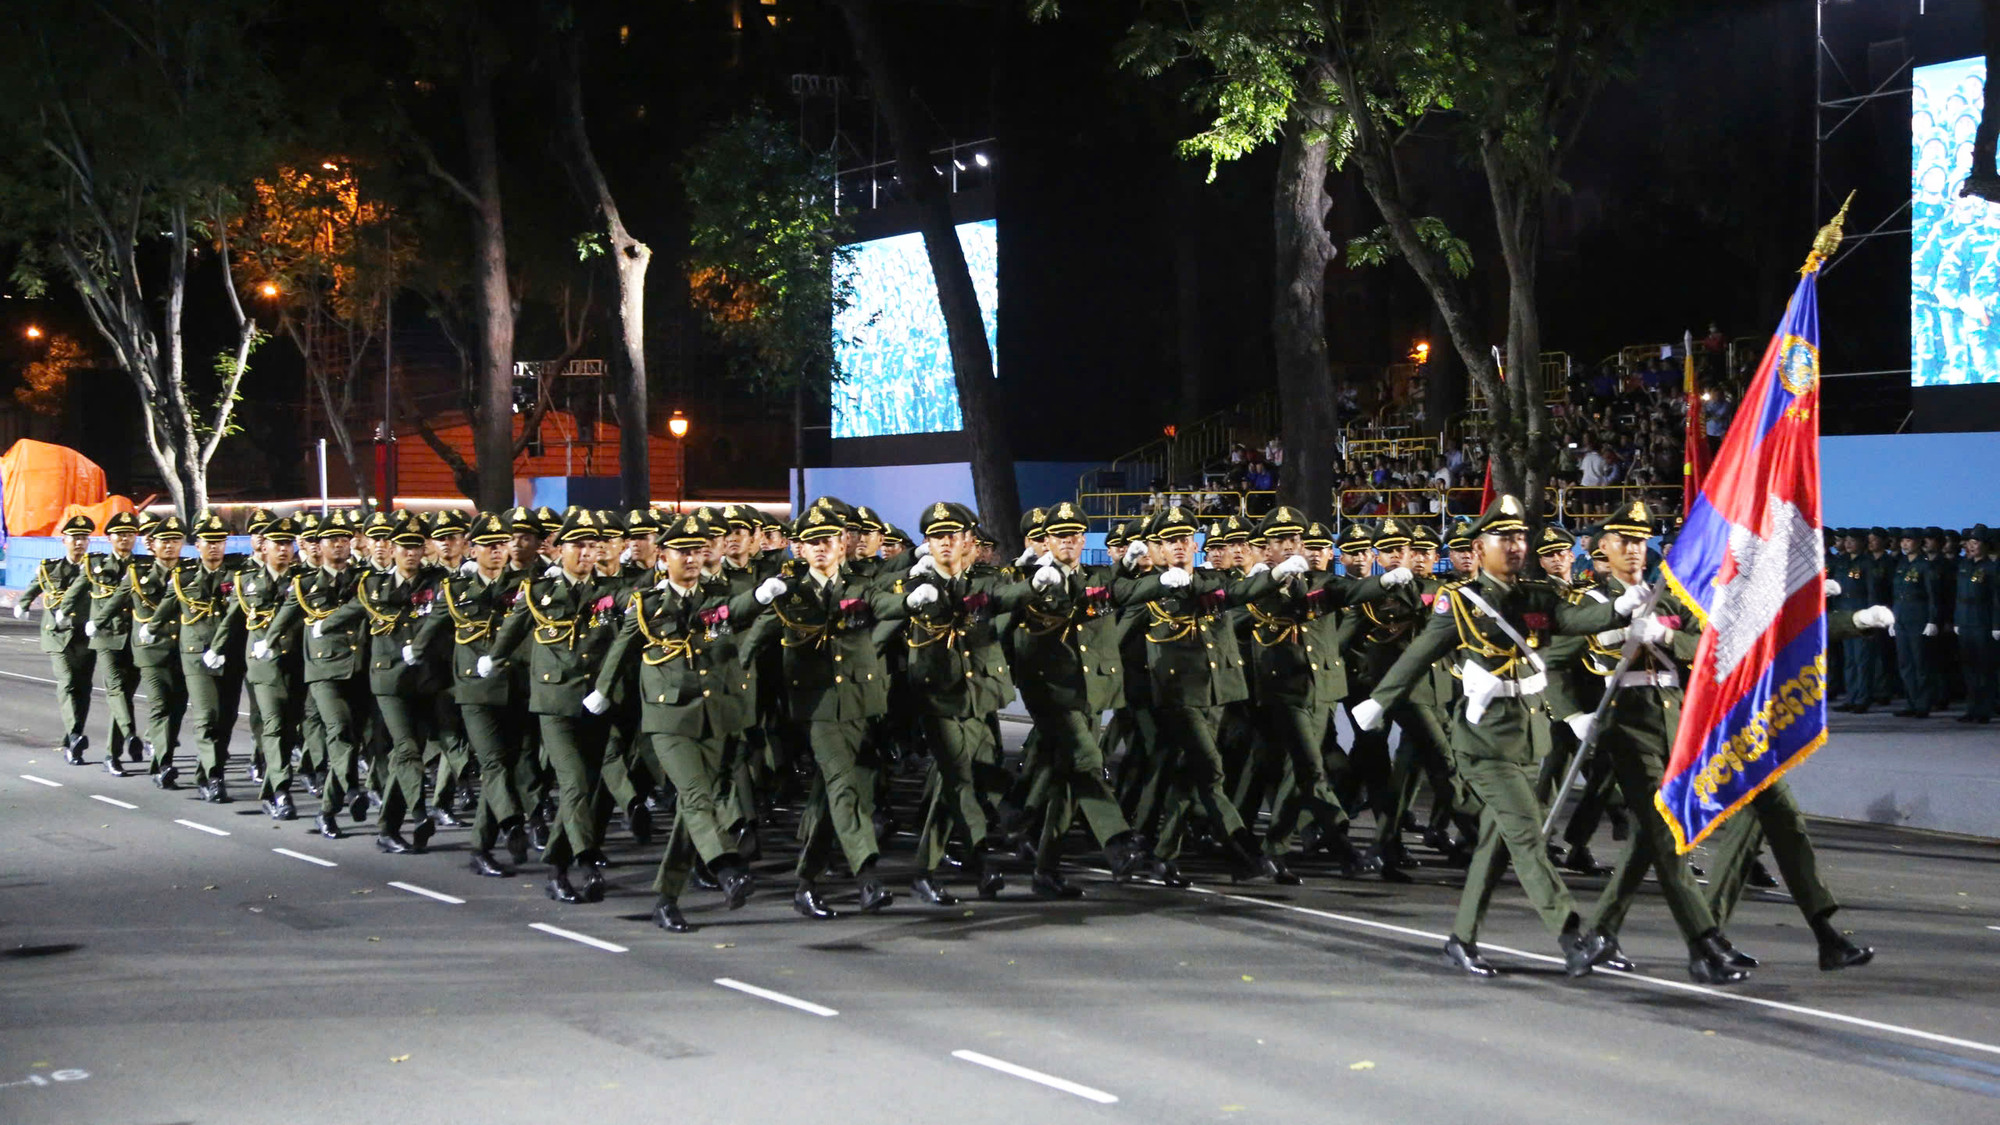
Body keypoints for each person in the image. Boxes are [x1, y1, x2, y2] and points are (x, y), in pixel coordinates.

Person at [1352, 495, 1640, 978]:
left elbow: (1576, 622)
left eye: (1520, 536)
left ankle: (1462, 938)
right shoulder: (1461, 602)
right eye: (1504, 537)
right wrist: (1379, 701)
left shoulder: (1536, 596)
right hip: (1484, 740)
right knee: (1528, 834)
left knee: (1496, 842)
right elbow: (1418, 654)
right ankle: (1573, 936)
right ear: (1479, 547)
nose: (1516, 545)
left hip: (1529, 735)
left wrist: (1621, 607)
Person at [1570, 501, 1755, 984]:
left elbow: (1709, 646)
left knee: (1651, 837)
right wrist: (1571, 713)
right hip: (1624, 726)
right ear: (1602, 549)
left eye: (1640, 541)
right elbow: (1551, 656)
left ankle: (1600, 932)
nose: (1634, 549)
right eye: (1623, 541)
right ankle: (1704, 943)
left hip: (1673, 724)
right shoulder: (1584, 602)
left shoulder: (1666, 596)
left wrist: (1667, 638)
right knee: (1667, 830)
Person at [591, 512, 763, 931]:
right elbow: (621, 648)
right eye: (681, 552)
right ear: (663, 556)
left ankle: (666, 899)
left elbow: (734, 612)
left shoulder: (715, 596)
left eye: (696, 551)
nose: (690, 559)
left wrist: (759, 598)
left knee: (693, 810)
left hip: (711, 715)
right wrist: (602, 690)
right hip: (667, 717)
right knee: (696, 797)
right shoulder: (646, 604)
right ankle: (726, 867)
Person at [1006, 500, 1154, 896]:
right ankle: (1118, 841)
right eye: (1059, 535)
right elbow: (1004, 624)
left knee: (1066, 783)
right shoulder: (1030, 579)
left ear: (1084, 539)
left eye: (1074, 535)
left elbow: (1128, 589)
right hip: (1050, 692)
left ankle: (1044, 867)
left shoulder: (1096, 576)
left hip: (1089, 692)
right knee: (1088, 761)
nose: (1068, 541)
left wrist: (1159, 572)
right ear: (1046, 541)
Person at [483, 509, 620, 903]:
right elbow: (514, 628)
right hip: (554, 702)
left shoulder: (609, 591)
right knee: (574, 782)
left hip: (595, 700)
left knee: (588, 786)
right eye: (579, 546)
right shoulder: (540, 590)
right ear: (561, 549)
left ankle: (556, 869)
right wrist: (494, 657)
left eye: (593, 547)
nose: (587, 554)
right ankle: (586, 858)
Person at [215, 515, 306, 820]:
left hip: (297, 662)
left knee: (289, 729)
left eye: (287, 543)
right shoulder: (246, 581)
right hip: (263, 666)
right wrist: (216, 649)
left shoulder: (304, 580)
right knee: (274, 726)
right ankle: (281, 791)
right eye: (277, 543)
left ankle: (270, 789)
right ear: (263, 547)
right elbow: (231, 621)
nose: (283, 549)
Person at [62, 511, 145, 773]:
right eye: (120, 534)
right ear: (110, 538)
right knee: (116, 689)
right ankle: (130, 733)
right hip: (105, 636)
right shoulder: (94, 564)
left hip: (134, 637)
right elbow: (74, 593)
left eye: (130, 534)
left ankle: (113, 753)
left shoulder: (143, 566)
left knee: (126, 695)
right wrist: (62, 612)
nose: (125, 538)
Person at [18, 515, 97, 764]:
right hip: (57, 635)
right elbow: (32, 588)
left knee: (84, 688)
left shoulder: (95, 569)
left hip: (85, 635)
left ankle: (72, 739)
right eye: (74, 538)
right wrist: (23, 605)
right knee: (68, 681)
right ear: (64, 540)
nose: (79, 543)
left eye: (84, 538)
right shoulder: (50, 567)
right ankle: (75, 734)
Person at [1891, 527, 1944, 717]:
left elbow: (1933, 596)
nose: (1905, 544)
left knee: (1921, 663)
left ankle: (1923, 704)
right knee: (1905, 664)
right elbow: (1896, 595)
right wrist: (1892, 619)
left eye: (1909, 540)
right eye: (1903, 540)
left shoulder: (1926, 565)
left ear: (1918, 543)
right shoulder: (1901, 564)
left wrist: (1932, 620)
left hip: (1919, 619)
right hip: (1901, 618)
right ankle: (1911, 702)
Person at [1955, 524, 1998, 722]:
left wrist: (1996, 624)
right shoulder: (1965, 566)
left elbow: (1997, 599)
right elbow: (1959, 596)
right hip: (1965, 621)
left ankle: (1984, 710)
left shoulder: (1992, 568)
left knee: (1983, 668)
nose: (1972, 546)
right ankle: (1971, 708)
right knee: (1968, 668)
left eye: (1977, 542)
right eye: (1971, 542)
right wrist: (1957, 620)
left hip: (1982, 621)